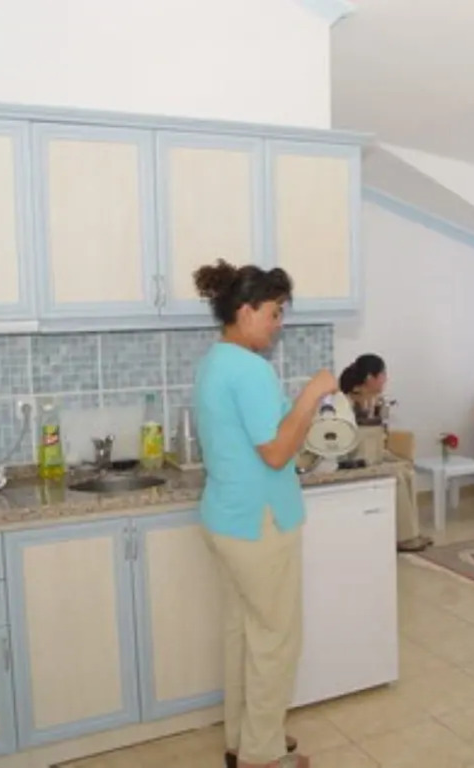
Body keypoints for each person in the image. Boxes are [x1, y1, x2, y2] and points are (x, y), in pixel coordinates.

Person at [193, 259, 336, 768]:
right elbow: (275, 453)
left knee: (244, 633)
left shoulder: (215, 361)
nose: (278, 324)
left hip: (226, 519)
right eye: (274, 313)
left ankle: (245, 738)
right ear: (246, 310)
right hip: (260, 523)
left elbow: (271, 437)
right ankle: (262, 756)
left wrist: (299, 416)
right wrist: (312, 394)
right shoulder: (250, 369)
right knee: (275, 640)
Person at [339, 354, 433, 553]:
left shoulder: (375, 402)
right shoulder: (346, 402)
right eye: (383, 375)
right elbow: (346, 441)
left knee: (406, 468)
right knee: (396, 474)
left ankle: (411, 531)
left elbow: (381, 438)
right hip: (354, 459)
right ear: (370, 378)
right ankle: (405, 538)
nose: (385, 379)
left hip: (374, 454)